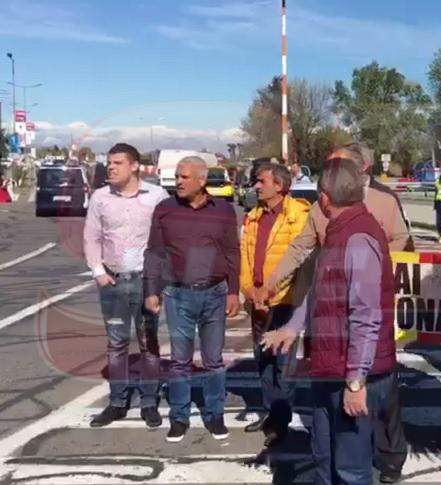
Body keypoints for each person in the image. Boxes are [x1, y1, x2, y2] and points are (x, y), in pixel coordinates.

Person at [265, 143, 410, 483]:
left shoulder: (358, 238)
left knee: (352, 467)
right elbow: (320, 290)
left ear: (326, 198)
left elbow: (366, 317)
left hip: (352, 370)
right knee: (325, 456)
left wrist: (356, 381)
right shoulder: (338, 230)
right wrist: (293, 327)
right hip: (329, 365)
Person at [143, 156, 240, 443]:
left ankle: (215, 415)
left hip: (215, 293)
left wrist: (234, 290)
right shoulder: (165, 209)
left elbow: (232, 252)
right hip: (178, 294)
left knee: (213, 360)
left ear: (201, 179)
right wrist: (152, 289)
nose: (178, 181)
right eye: (177, 176)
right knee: (179, 361)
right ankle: (179, 417)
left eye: (184, 176)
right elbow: (155, 252)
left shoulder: (222, 210)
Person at [84, 143, 169, 429]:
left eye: (117, 162)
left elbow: (167, 237)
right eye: (109, 162)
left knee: (149, 343)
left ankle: (149, 402)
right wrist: (98, 271)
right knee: (117, 343)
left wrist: (161, 279)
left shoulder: (157, 196)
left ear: (134, 166)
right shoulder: (100, 198)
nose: (110, 167)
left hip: (147, 282)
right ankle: (118, 402)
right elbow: (91, 237)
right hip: (113, 282)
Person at [239, 163, 310, 441]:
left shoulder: (299, 215)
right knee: (263, 360)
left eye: (261, 181)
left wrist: (271, 294)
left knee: (283, 364)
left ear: (279, 186)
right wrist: (250, 291)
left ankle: (281, 419)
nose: (256, 186)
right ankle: (271, 412)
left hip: (284, 301)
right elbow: (245, 257)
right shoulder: (253, 217)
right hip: (256, 302)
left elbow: (298, 262)